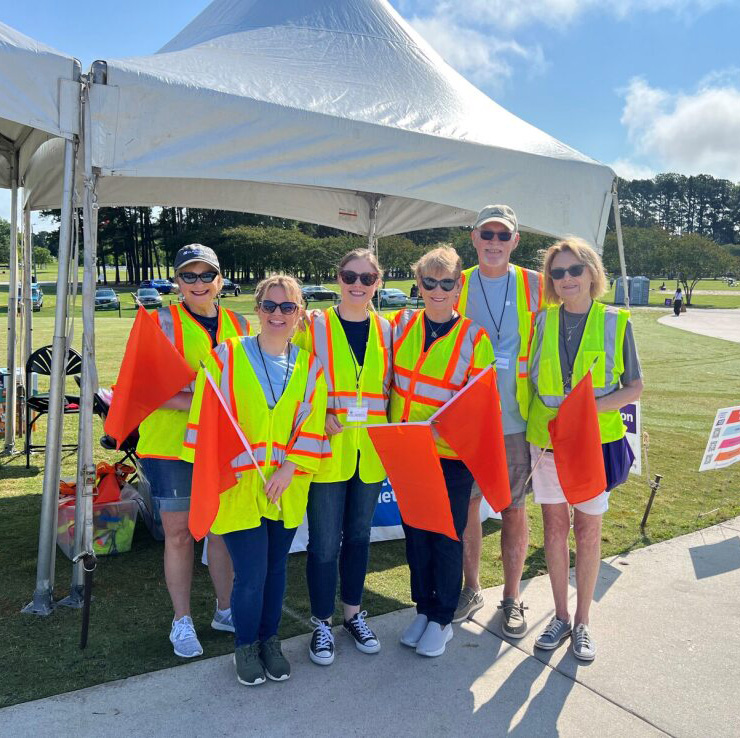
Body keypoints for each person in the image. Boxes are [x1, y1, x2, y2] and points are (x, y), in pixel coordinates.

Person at [187, 275, 329, 685]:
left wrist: (289, 468)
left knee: (277, 569)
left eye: (288, 307)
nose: (278, 314)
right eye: (270, 306)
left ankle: (271, 641)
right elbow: (208, 421)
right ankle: (245, 646)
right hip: (239, 485)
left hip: (284, 487)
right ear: (257, 309)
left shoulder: (309, 367)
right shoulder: (225, 358)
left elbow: (313, 424)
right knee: (251, 572)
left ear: (299, 312)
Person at [527, 238, 643, 661]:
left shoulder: (616, 321)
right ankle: (559, 616)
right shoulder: (542, 321)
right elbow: (533, 384)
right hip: (549, 445)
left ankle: (583, 622)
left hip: (594, 446)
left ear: (592, 273)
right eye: (558, 273)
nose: (567, 279)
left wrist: (588, 410)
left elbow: (635, 387)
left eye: (575, 270)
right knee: (555, 530)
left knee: (588, 531)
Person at [137, 244, 250, 659]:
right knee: (180, 534)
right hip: (170, 445)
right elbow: (144, 389)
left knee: (221, 529)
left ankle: (225, 610)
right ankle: (181, 621)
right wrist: (206, 401)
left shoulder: (239, 323)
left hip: (221, 445)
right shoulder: (158, 322)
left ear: (220, 280)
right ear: (177, 282)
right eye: (189, 276)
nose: (198, 284)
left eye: (207, 275)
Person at [390, 246, 494, 657]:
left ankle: (442, 617)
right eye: (428, 282)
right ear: (418, 284)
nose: (436, 290)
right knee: (416, 535)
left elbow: (479, 404)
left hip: (451, 457)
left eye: (445, 283)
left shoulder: (475, 337)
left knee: (447, 536)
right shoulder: (400, 324)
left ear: (458, 286)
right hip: (407, 452)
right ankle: (423, 607)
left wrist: (445, 427)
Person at [294, 249, 392, 666]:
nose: (357, 284)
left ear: (377, 282)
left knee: (358, 538)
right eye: (350, 276)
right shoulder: (312, 326)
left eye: (366, 278)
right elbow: (294, 380)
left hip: (369, 454)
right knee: (322, 545)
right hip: (326, 452)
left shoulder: (388, 329)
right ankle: (321, 623)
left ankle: (352, 614)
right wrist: (320, 417)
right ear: (337, 278)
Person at [452, 205, 543, 639]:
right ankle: (471, 588)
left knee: (513, 508)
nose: (493, 242)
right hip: (466, 421)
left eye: (502, 235)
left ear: (515, 241)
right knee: (468, 506)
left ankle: (511, 596)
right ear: (473, 238)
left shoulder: (536, 285)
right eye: (486, 233)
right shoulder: (457, 283)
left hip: (516, 420)